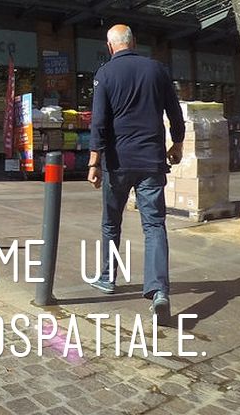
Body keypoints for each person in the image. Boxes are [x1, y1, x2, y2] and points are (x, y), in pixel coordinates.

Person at [88, 24, 184, 325]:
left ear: (110, 46)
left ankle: (107, 277)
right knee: (154, 225)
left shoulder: (105, 74)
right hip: (151, 161)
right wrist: (177, 143)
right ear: (134, 42)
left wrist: (94, 162)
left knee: (110, 222)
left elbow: (99, 122)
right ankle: (159, 291)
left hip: (117, 163)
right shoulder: (157, 70)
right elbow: (174, 112)